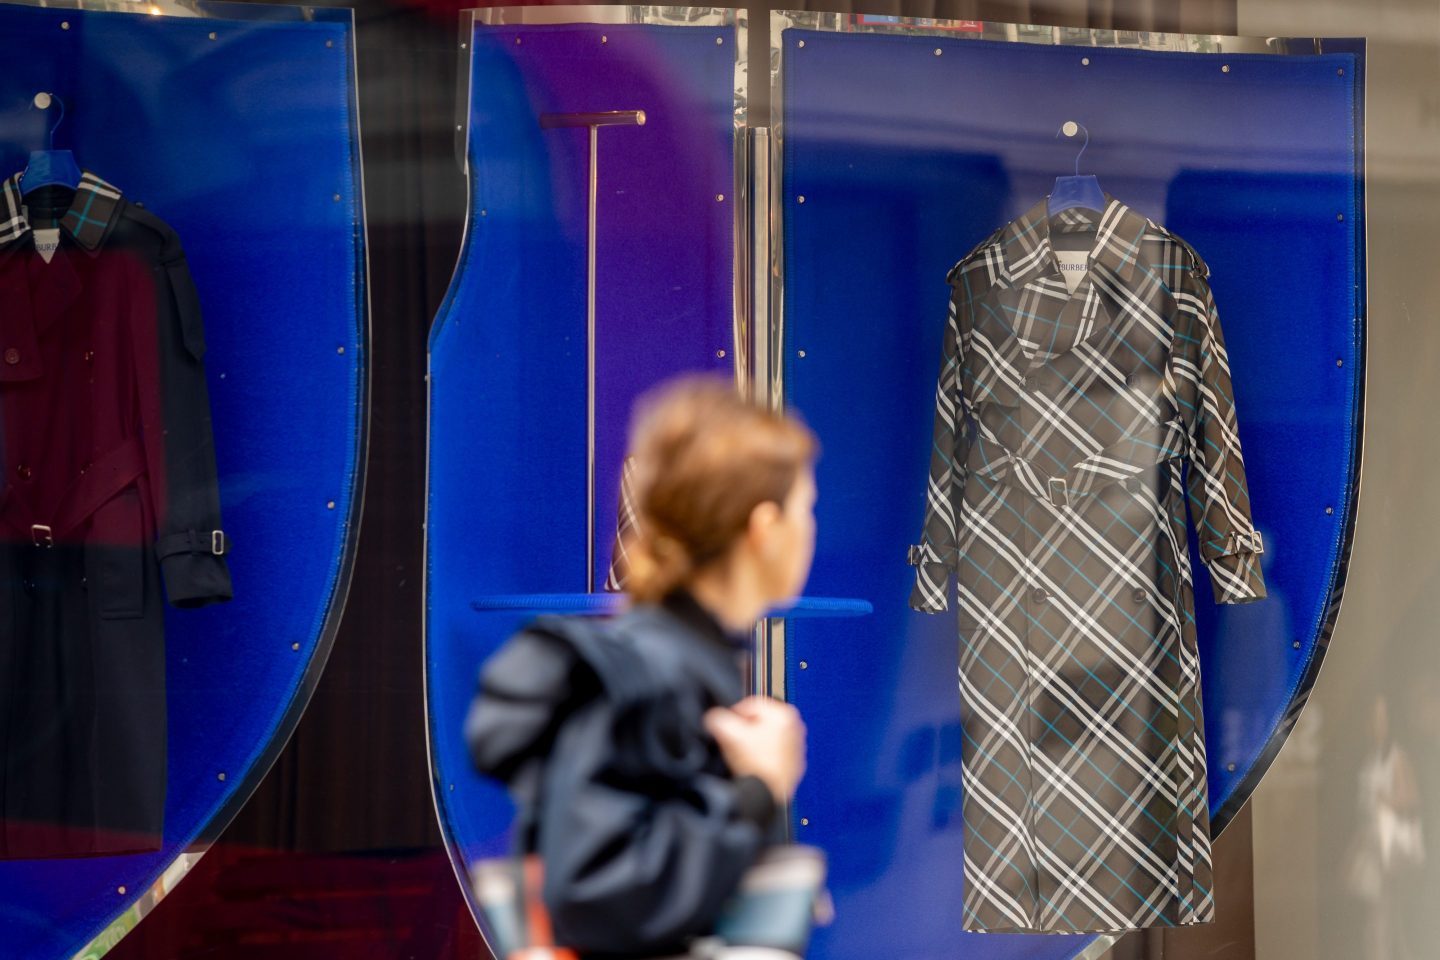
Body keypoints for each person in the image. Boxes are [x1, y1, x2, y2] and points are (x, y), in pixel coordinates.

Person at [465, 376, 818, 959]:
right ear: (763, 528)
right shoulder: (655, 673)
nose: (811, 530)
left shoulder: (679, 664)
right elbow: (597, 896)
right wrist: (757, 788)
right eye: (806, 507)